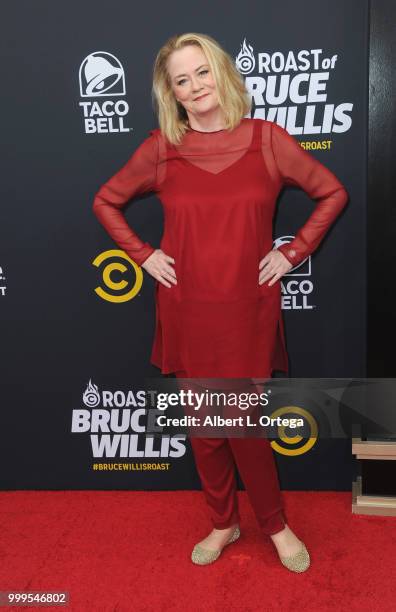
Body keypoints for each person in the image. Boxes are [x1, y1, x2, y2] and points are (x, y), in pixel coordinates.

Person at [92, 32, 349, 573]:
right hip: (187, 309)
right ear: (173, 94)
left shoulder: (267, 140)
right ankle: (222, 522)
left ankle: (275, 525)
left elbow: (332, 191)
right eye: (182, 80)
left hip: (247, 310)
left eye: (202, 72)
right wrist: (142, 254)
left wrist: (294, 251)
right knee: (205, 431)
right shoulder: (162, 148)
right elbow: (107, 201)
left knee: (245, 428)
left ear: (222, 74)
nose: (195, 86)